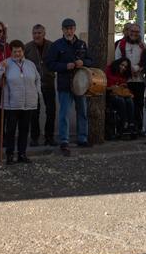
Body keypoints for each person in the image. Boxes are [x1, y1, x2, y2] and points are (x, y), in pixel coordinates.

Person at [45, 18, 94, 156]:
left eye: (71, 28)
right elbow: (49, 64)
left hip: (81, 84)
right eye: (66, 28)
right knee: (64, 114)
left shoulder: (82, 44)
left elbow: (91, 60)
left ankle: (82, 138)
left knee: (82, 112)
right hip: (65, 84)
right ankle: (64, 140)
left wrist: (82, 61)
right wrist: (64, 66)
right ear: (62, 30)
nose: (69, 31)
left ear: (75, 29)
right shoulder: (56, 45)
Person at [0, 40, 41, 164]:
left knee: (24, 130)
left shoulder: (30, 64)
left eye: (19, 51)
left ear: (23, 51)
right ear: (11, 51)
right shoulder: (5, 63)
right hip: (11, 104)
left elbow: (37, 79)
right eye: (15, 51)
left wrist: (37, 92)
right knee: (11, 130)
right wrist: (0, 70)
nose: (17, 53)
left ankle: (22, 154)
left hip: (28, 103)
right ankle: (9, 155)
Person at [24, 24, 57, 146]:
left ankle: (49, 137)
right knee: (34, 112)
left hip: (49, 82)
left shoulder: (52, 46)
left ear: (44, 34)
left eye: (39, 33)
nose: (36, 35)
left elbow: (56, 61)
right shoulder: (27, 48)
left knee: (51, 110)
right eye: (34, 33)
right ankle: (34, 137)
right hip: (33, 84)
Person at [115, 22, 146, 136]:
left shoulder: (142, 45)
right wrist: (129, 69)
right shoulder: (121, 45)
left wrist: (138, 68)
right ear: (128, 32)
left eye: (136, 32)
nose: (134, 34)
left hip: (139, 80)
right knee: (127, 105)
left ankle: (139, 127)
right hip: (126, 81)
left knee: (139, 104)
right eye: (132, 31)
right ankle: (126, 127)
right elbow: (117, 60)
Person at [105, 57, 135, 139]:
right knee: (121, 100)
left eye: (125, 67)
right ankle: (124, 124)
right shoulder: (109, 69)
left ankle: (130, 124)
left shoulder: (124, 74)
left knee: (129, 100)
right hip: (109, 94)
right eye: (122, 65)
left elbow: (124, 87)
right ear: (118, 63)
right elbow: (104, 85)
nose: (123, 68)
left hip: (120, 94)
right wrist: (111, 87)